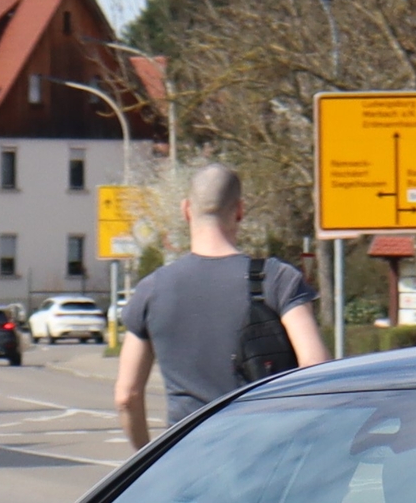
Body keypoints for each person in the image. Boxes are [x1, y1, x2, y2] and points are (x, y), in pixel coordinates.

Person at [114, 164, 328, 449]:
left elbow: (126, 396)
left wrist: (148, 462)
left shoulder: (151, 290)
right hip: (267, 458)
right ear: (239, 210)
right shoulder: (277, 280)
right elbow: (316, 369)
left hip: (190, 460)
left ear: (186, 210)